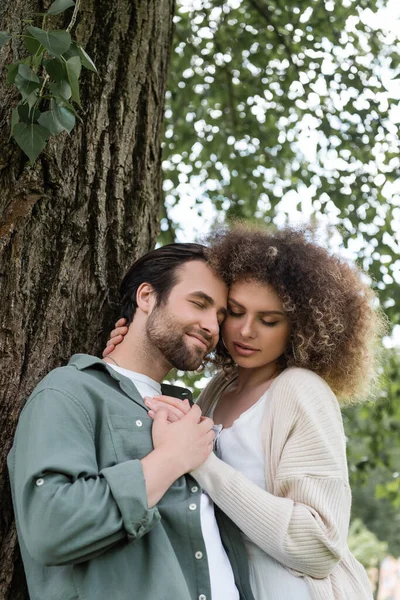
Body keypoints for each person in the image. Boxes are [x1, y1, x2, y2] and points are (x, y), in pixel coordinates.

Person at [107, 225, 383, 600]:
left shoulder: (301, 391)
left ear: (299, 328)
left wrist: (203, 463)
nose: (246, 331)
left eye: (269, 320)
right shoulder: (217, 391)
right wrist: (127, 367)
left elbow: (319, 546)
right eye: (235, 312)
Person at [7, 243, 255, 600]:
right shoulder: (70, 390)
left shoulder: (192, 411)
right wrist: (170, 460)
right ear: (146, 297)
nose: (210, 326)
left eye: (218, 316)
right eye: (199, 304)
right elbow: (51, 527)